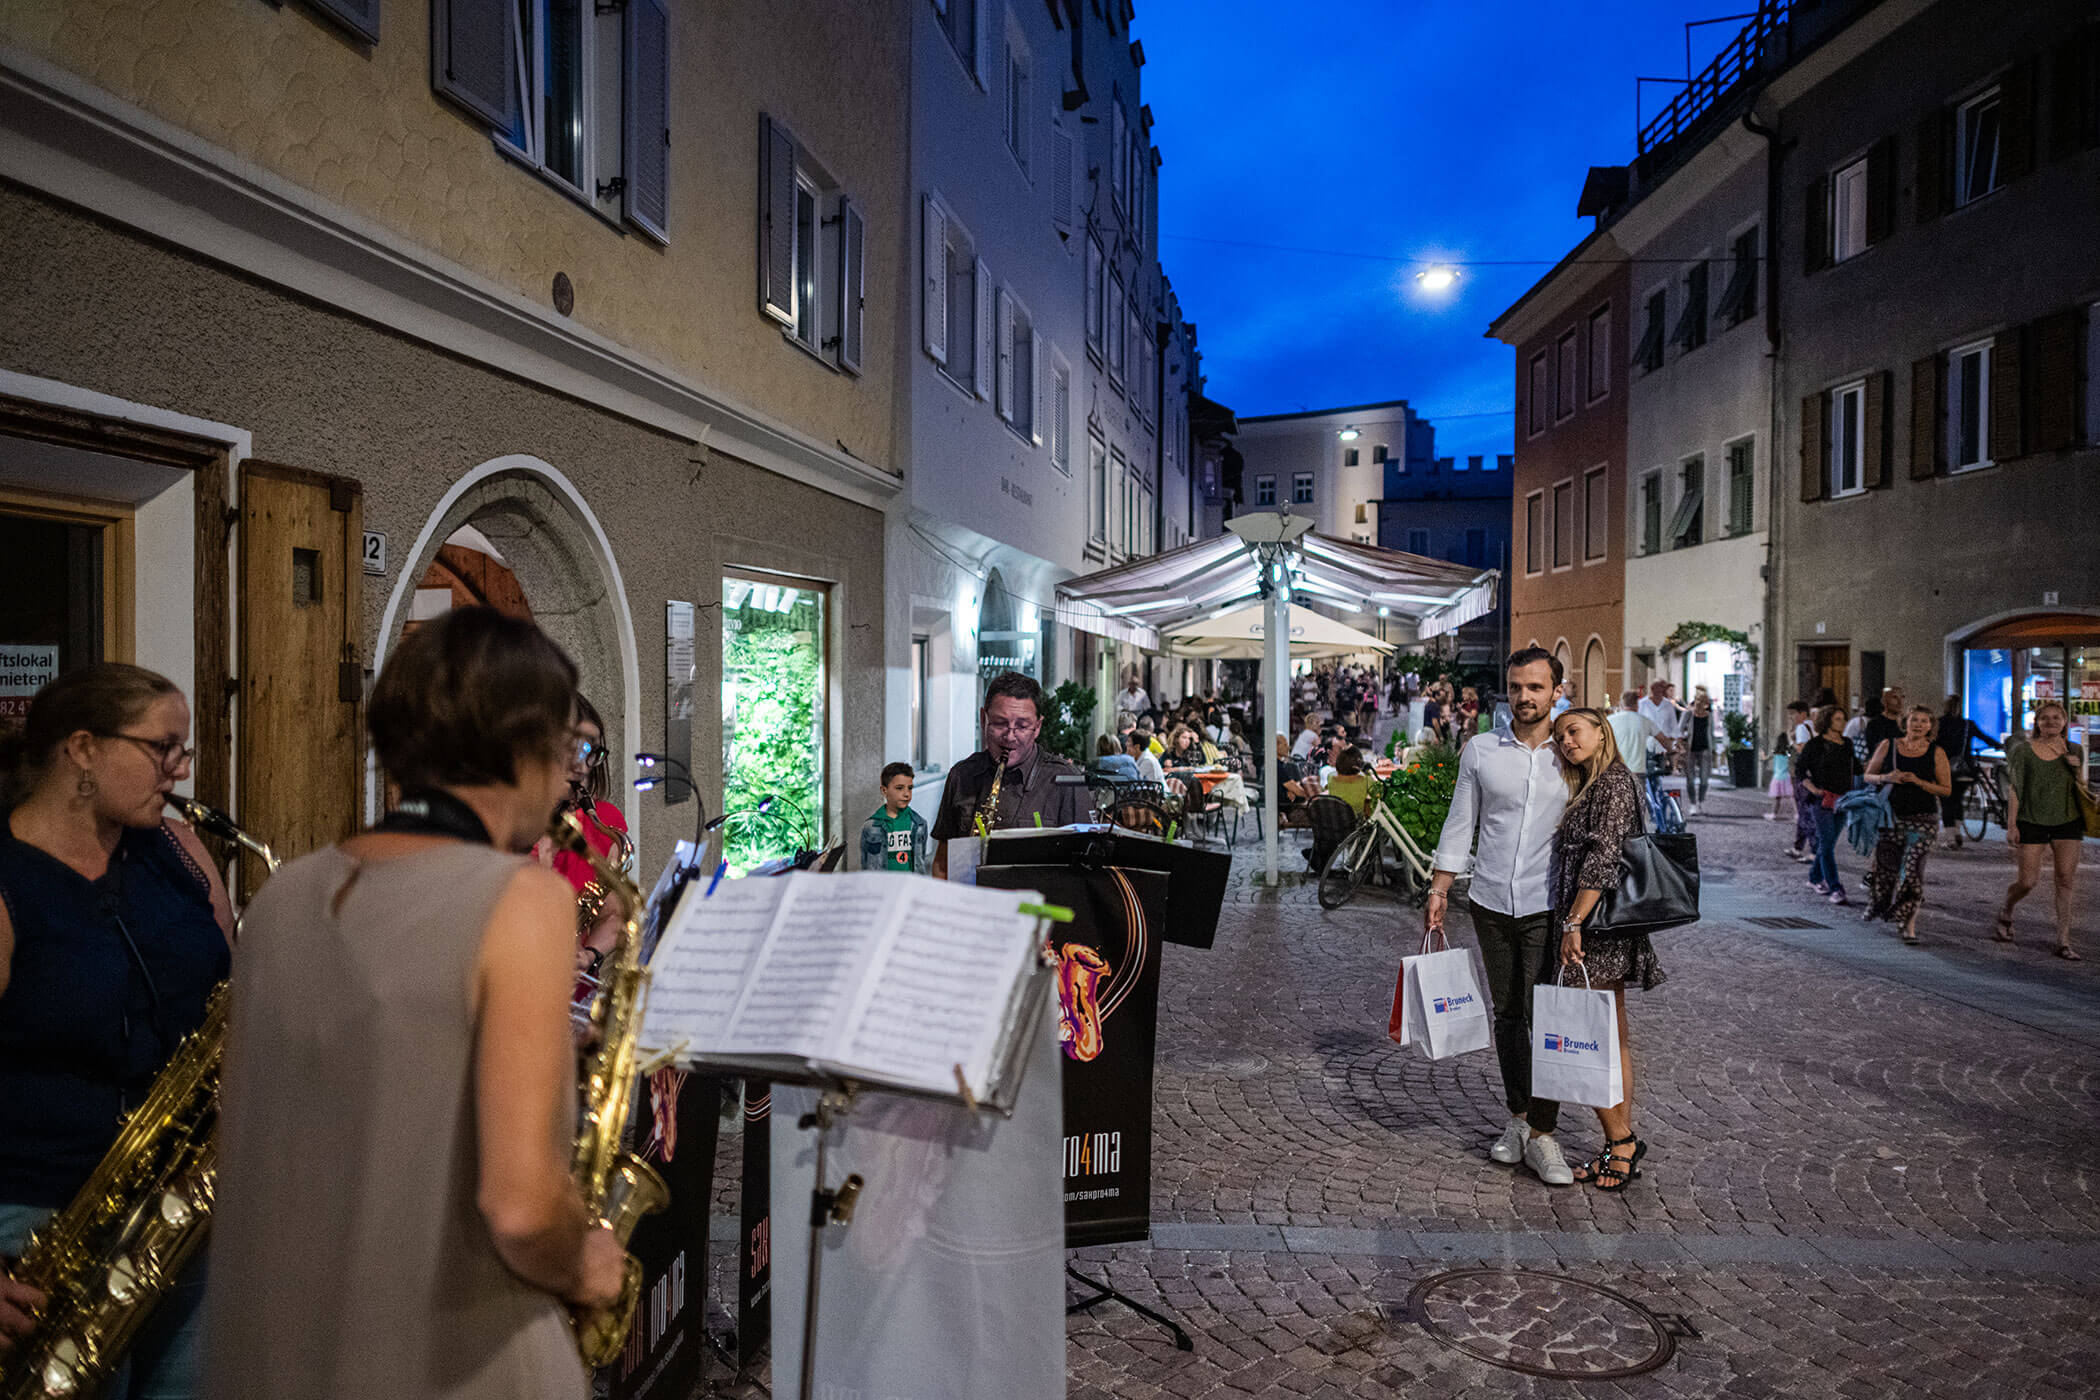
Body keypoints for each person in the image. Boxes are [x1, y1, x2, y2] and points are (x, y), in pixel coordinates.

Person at [205, 608, 625, 1400]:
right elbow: (523, 1210)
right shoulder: (522, 898)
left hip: (281, 1353)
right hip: (451, 1357)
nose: (572, 770)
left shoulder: (287, 894)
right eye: (569, 747)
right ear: (523, 746)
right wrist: (591, 1262)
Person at [0, 664, 235, 1397]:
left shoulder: (180, 853)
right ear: (83, 749)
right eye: (163, 748)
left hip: (179, 1209)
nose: (181, 769)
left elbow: (230, 1001)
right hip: (41, 1223)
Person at [1428, 647, 1573, 1187]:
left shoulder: (1572, 751)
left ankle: (1545, 1135)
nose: (1525, 697)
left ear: (1557, 690)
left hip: (1546, 905)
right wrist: (1441, 886)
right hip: (1489, 900)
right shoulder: (1482, 750)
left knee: (1546, 1018)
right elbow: (1460, 821)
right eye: (1516, 687)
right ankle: (1519, 1121)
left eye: (1536, 687)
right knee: (1509, 1015)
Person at [1545, 707, 1663, 1191]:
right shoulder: (1599, 780)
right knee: (1611, 1035)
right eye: (1560, 737)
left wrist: (1574, 921)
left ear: (1601, 732)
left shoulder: (1613, 782)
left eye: (1573, 732)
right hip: (1598, 927)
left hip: (1597, 929)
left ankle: (1622, 1139)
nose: (1566, 742)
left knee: (1589, 1035)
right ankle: (1618, 1142)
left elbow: (1605, 856)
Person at [931, 672, 1087, 878]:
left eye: (1022, 726)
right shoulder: (962, 775)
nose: (1010, 736)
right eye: (999, 723)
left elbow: (1085, 872)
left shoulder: (1066, 782)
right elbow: (943, 863)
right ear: (982, 718)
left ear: (1038, 727)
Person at [542, 693, 630, 970]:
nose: (581, 766)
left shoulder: (605, 824)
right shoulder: (507, 827)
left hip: (575, 997)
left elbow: (613, 915)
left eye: (589, 752)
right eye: (570, 749)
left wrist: (590, 955)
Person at [1996, 700, 2087, 959]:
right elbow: (2016, 788)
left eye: (2056, 717)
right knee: (2027, 881)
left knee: (2066, 879)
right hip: (2032, 819)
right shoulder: (2024, 751)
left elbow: (2080, 786)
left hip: (2068, 820)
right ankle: (2007, 909)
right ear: (2037, 722)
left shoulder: (2075, 749)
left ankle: (2063, 939)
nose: (2050, 722)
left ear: (2064, 722)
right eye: (2044, 718)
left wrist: (2075, 768)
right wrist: (2012, 824)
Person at [1862, 706, 1952, 945]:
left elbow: (1946, 789)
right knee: (1887, 871)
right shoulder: (1888, 745)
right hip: (1891, 818)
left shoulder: (1936, 752)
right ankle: (1880, 905)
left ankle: (1908, 924)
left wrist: (1920, 782)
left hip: (1923, 820)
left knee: (1912, 872)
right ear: (1906, 722)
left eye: (1925, 721)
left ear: (1931, 726)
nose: (1919, 724)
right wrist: (1886, 777)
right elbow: (1867, 775)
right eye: (1915, 720)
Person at [1797, 704, 1859, 905]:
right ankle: (1835, 887)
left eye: (1843, 718)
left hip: (1842, 800)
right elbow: (1800, 771)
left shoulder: (1847, 743)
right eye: (1838, 719)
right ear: (1828, 721)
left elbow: (1856, 768)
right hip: (1821, 800)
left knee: (1828, 843)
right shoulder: (1815, 745)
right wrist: (1814, 790)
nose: (1842, 722)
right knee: (1827, 843)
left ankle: (1815, 877)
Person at [1932, 695, 1998, 850]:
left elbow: (1932, 744)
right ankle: (1958, 832)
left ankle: (1951, 837)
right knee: (1958, 799)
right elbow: (1986, 738)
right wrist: (2000, 745)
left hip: (1945, 769)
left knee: (1947, 801)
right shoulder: (1968, 724)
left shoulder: (1939, 724)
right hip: (1966, 769)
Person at [859, 762, 928, 874]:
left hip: (911, 887)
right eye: (899, 788)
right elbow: (865, 864)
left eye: (910, 788)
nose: (906, 794)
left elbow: (920, 859)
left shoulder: (920, 824)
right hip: (883, 888)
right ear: (884, 791)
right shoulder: (870, 827)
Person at [1606, 691, 1660, 796]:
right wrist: (1672, 751)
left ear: (1621, 704)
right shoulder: (1645, 721)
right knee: (1638, 805)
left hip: (1616, 770)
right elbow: (1664, 740)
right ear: (1637, 704)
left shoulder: (1609, 721)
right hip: (1637, 771)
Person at [1684, 687, 1714, 816]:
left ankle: (1700, 802)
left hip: (1705, 750)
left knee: (1704, 780)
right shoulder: (1688, 714)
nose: (1701, 703)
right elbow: (1679, 729)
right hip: (1690, 750)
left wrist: (1714, 749)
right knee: (1690, 780)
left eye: (1703, 701)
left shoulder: (1709, 716)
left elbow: (1711, 733)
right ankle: (1692, 804)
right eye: (1698, 700)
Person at [1324, 745, 1376, 817]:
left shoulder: (1330, 777)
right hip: (1355, 821)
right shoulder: (1366, 780)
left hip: (1335, 820)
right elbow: (1375, 793)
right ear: (1359, 763)